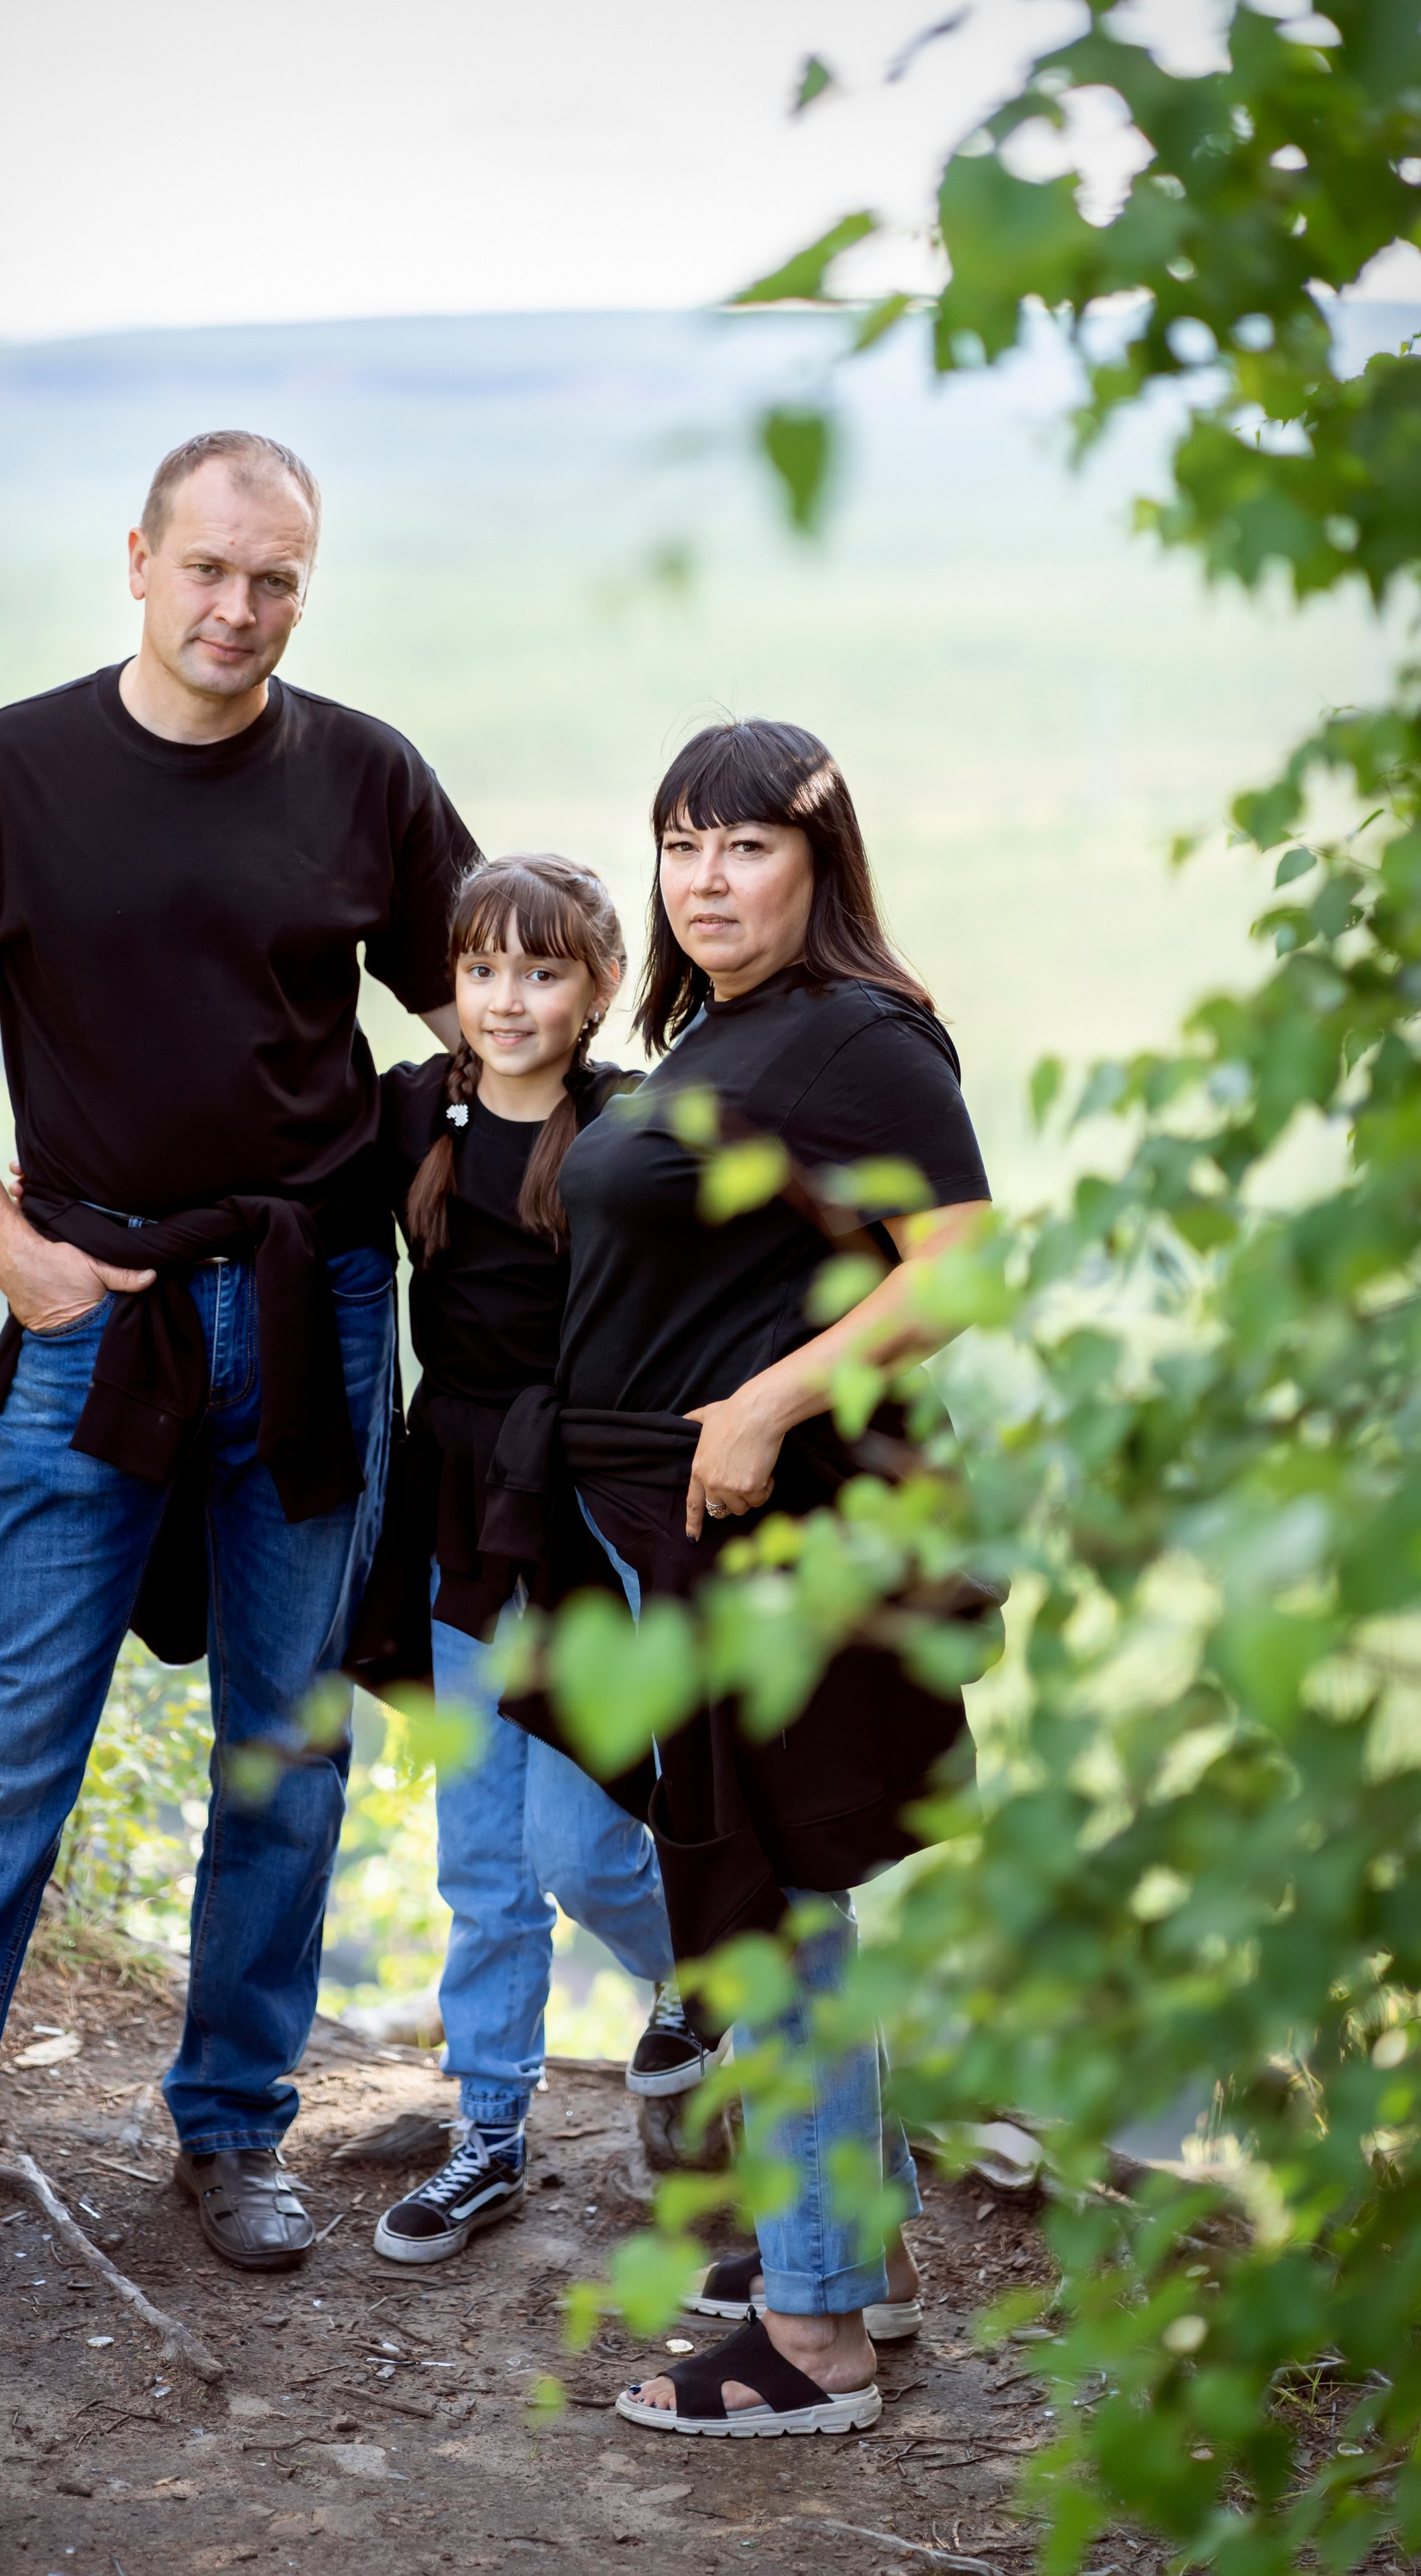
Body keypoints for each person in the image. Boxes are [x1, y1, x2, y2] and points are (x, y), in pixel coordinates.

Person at [0, 430, 477, 2351]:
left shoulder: (366, 773)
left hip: (313, 1304)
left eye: (276, 581)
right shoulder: (10, 771)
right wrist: (14, 1255)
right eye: (209, 570)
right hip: (95, 1311)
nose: (239, 609)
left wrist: (435, 1185)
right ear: (137, 560)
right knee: (5, 1760)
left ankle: (235, 2127)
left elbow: (482, 1011)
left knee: (288, 1745)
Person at [544, 718, 993, 2436]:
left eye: (743, 846)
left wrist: (763, 1402)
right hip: (650, 1529)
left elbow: (952, 1267)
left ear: (818, 862)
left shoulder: (856, 1036)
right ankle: (843, 2257)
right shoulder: (715, 1032)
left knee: (778, 1920)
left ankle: (809, 2339)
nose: (705, 878)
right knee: (681, 1881)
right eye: (679, 845)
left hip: (752, 1533)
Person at [370, 855, 714, 2267]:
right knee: (481, 1858)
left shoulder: (633, 1127)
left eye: (541, 972)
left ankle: (701, 1981)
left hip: (586, 1519)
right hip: (461, 1510)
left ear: (598, 991)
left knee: (579, 1846)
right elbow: (262, 1162)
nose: (506, 1000)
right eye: (481, 970)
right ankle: (490, 2135)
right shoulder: (409, 1113)